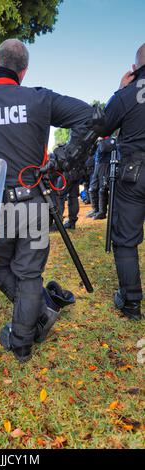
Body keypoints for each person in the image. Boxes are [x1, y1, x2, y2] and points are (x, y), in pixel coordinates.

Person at [0, 39, 95, 363]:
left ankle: (27, 329)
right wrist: (63, 158)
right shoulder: (38, 98)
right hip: (33, 202)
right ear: (24, 71)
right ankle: (29, 329)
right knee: (28, 274)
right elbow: (90, 116)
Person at [100, 43, 145, 321]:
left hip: (134, 173)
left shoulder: (128, 94)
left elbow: (103, 126)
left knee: (126, 241)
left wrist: (119, 89)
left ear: (134, 68)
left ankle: (131, 304)